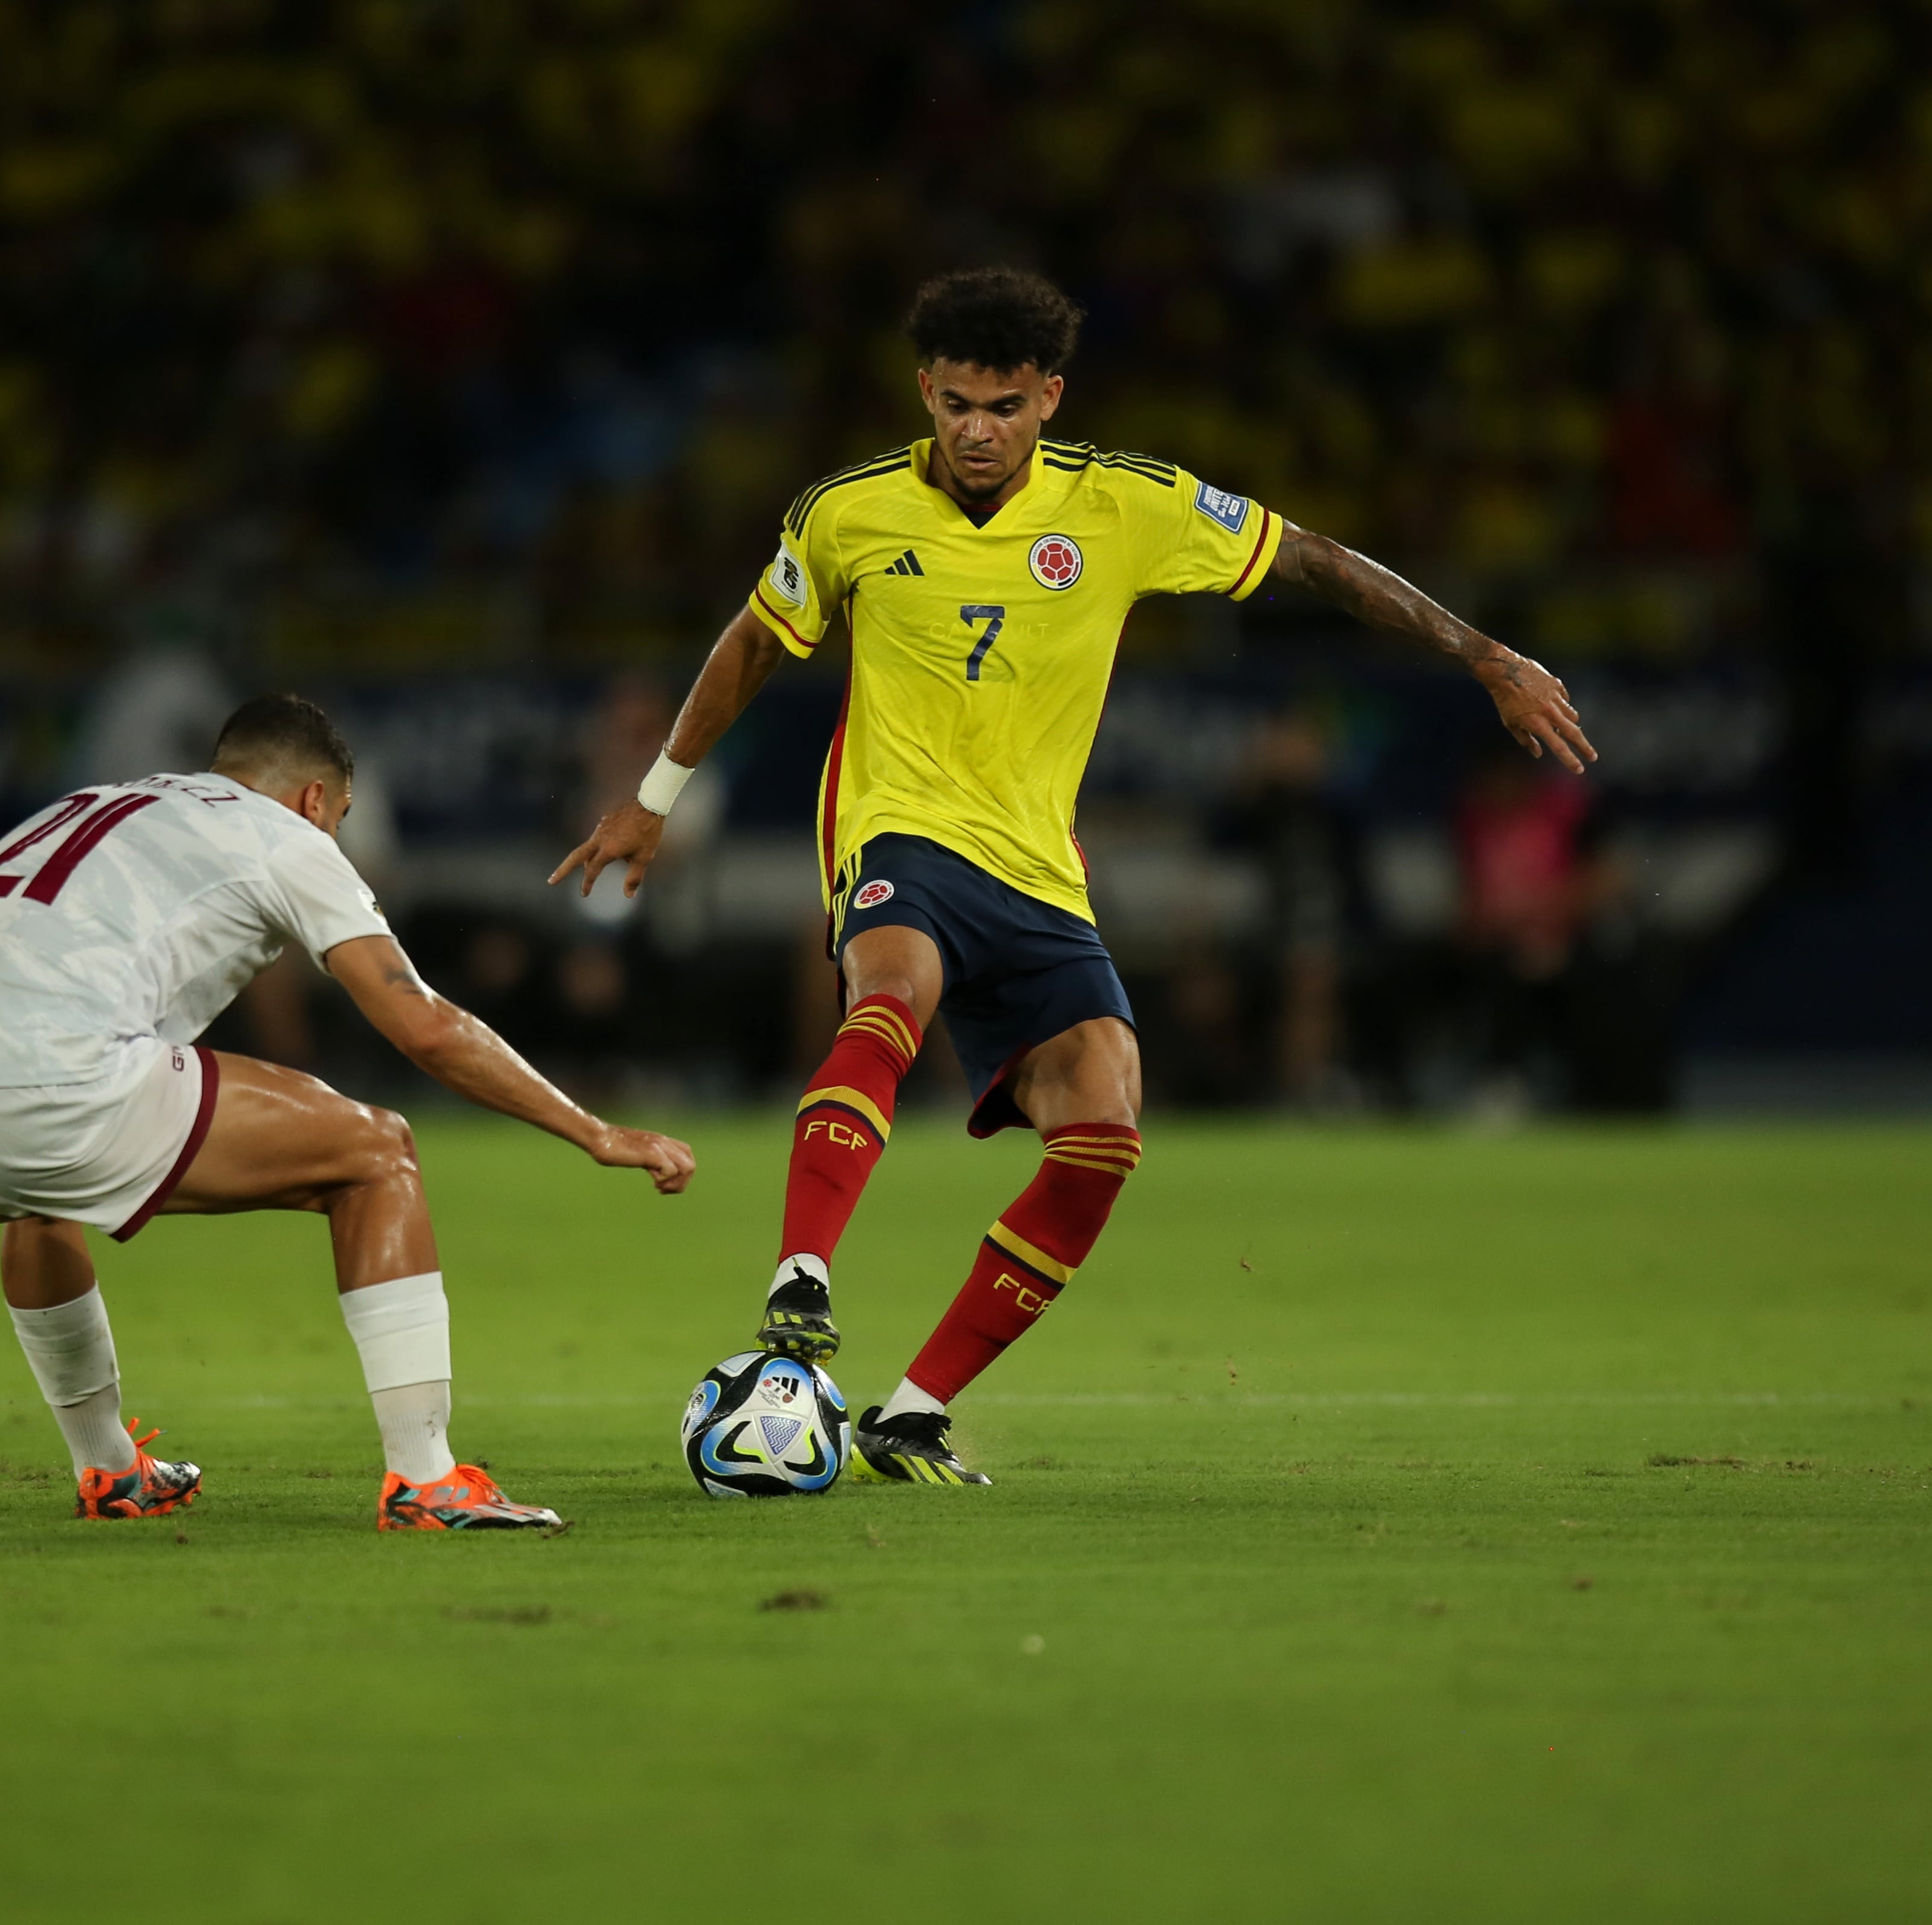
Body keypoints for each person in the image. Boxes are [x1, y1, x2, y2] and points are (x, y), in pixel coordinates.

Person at [551, 268, 1595, 1484]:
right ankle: (801, 1279)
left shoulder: (1123, 503)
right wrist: (652, 796)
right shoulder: (846, 513)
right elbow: (749, 642)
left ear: (1048, 395)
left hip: (1040, 869)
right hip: (899, 831)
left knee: (1102, 1124)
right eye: (952, 403)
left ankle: (911, 1413)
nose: (975, 429)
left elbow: (1307, 558)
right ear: (923, 392)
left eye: (1000, 403)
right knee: (888, 992)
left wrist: (1481, 654)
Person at [0, 694, 694, 1530]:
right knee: (377, 1152)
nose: (335, 836)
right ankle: (427, 1481)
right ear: (315, 798)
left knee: (41, 1199)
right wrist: (594, 1130)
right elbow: (422, 1026)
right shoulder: (282, 832)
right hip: (56, 1086)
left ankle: (109, 1471)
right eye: (340, 817)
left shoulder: (86, 808)